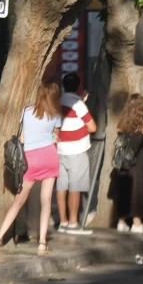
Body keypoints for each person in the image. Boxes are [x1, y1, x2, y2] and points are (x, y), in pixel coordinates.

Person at [0, 82, 62, 255]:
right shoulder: (55, 114)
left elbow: (22, 138)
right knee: (46, 200)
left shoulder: (26, 111)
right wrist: (49, 136)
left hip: (30, 159)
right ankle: (42, 243)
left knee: (18, 200)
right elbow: (55, 137)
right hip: (50, 156)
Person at [111, 95, 143, 233]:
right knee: (137, 192)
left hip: (123, 162)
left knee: (123, 190)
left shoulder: (122, 122)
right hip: (139, 162)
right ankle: (137, 222)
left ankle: (121, 222)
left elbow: (120, 135)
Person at [57, 73, 96, 234]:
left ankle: (63, 222)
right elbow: (93, 127)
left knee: (61, 187)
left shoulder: (58, 100)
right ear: (78, 86)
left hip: (60, 149)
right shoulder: (78, 103)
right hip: (77, 150)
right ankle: (73, 223)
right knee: (75, 187)